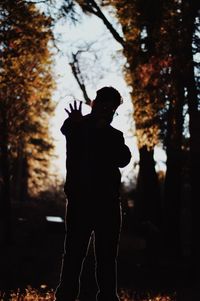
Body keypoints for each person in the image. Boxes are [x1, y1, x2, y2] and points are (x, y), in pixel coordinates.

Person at [55, 86, 131, 301]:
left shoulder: (114, 135)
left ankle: (105, 297)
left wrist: (102, 130)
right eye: (105, 104)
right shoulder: (78, 125)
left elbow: (123, 158)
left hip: (106, 205)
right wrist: (80, 124)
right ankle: (67, 296)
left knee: (105, 258)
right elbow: (66, 129)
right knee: (74, 255)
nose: (108, 110)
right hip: (81, 203)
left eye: (112, 108)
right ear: (96, 103)